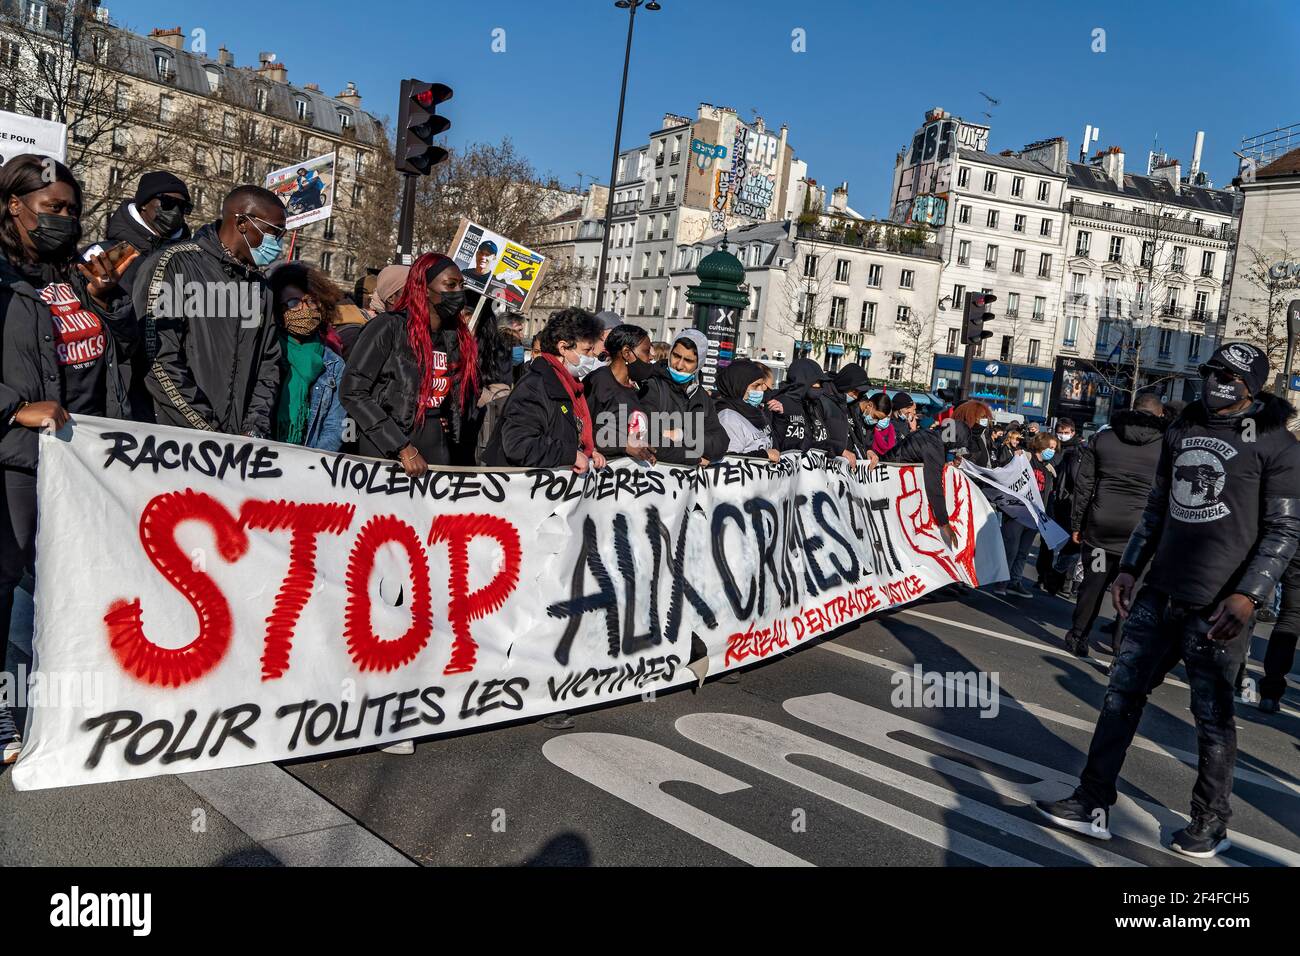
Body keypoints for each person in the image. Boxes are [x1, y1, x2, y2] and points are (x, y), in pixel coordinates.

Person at [1037, 342, 1300, 858]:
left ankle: (1209, 822)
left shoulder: (1279, 445)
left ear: (1254, 385)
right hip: (1161, 592)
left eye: (1228, 373)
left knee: (1212, 717)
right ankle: (1092, 800)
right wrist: (1131, 567)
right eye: (1210, 370)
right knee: (1120, 698)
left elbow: (1285, 529)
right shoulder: (1182, 428)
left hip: (1221, 606)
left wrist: (1250, 595)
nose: (1215, 379)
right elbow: (1158, 506)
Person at [0, 155, 132, 763]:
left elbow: (126, 354)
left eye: (72, 210)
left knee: (70, 583)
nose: (63, 219)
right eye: (51, 208)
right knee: (5, 585)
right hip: (19, 460)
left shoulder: (76, 276)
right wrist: (12, 408)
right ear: (13, 204)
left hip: (81, 460)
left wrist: (110, 302)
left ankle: (69, 702)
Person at [135, 184, 285, 437]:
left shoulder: (261, 288)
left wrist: (254, 427)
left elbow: (269, 363)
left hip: (236, 446)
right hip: (175, 440)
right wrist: (208, 429)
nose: (277, 244)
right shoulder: (173, 265)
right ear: (242, 223)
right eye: (273, 233)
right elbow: (158, 358)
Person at [341, 252, 479, 474]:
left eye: (461, 285)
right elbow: (352, 391)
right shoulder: (388, 328)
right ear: (424, 287)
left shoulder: (454, 337)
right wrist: (402, 447)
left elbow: (454, 398)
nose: (458, 293)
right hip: (387, 447)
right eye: (450, 285)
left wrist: (448, 425)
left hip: (436, 444)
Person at [1063, 394, 1166, 656]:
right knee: (1133, 590)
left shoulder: (1104, 438)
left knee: (1093, 583)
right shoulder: (1166, 445)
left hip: (1101, 527)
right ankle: (1120, 649)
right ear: (1159, 414)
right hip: (1139, 533)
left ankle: (1078, 635)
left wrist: (1078, 523)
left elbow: (1083, 485)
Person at [483, 307, 606, 471]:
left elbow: (566, 431)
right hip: (517, 487)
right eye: (586, 350)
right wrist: (570, 455)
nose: (592, 356)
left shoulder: (569, 384)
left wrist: (588, 452)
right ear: (563, 348)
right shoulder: (535, 386)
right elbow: (519, 444)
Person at [269, 263, 346, 452]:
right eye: (293, 303)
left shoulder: (334, 364)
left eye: (311, 301)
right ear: (278, 311)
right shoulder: (267, 354)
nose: (304, 308)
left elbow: (335, 427)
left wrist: (312, 464)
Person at [637, 329, 728, 467]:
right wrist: (694, 458)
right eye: (676, 356)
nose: (679, 365)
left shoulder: (701, 396)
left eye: (688, 360)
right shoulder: (652, 386)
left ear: (699, 364)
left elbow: (720, 443)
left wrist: (681, 435)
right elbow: (651, 440)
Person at [992, 432, 1058, 599]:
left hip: (1035, 515)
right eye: (1050, 447)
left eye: (1054, 449)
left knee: (1023, 551)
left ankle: (1015, 581)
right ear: (1041, 445)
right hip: (1017, 512)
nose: (1052, 451)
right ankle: (1001, 583)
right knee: (1010, 549)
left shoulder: (1049, 469)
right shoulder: (1024, 458)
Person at [584, 323, 656, 462]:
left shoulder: (635, 389)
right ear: (626, 353)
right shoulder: (600, 381)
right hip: (599, 476)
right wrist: (624, 445)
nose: (650, 357)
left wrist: (644, 451)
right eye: (646, 351)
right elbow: (583, 429)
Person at [1038, 416, 1084, 596]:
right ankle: (1044, 576)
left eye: (1066, 433)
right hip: (1052, 498)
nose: (1063, 436)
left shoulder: (1079, 450)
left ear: (1073, 432)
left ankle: (1063, 580)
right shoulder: (1052, 447)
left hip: (1068, 500)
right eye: (1060, 433)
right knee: (1047, 540)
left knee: (1070, 541)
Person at [716, 359, 780, 461]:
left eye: (761, 385)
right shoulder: (728, 418)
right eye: (755, 386)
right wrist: (764, 455)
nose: (761, 390)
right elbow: (729, 460)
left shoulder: (754, 413)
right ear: (739, 385)